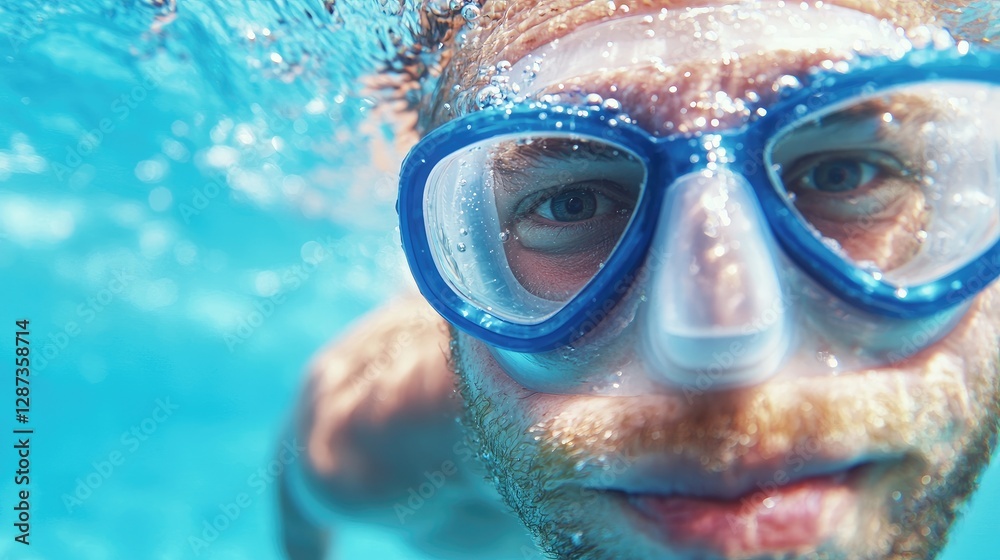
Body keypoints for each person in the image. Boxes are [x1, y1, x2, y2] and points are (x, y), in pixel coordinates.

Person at [279, 1, 1000, 558]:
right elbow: (301, 501)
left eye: (842, 176)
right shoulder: (368, 446)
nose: (726, 357)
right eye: (574, 203)